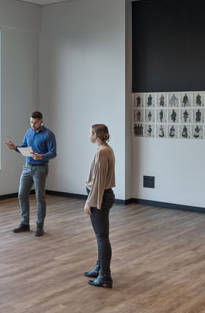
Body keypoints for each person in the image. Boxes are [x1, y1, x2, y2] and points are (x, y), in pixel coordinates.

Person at [4, 111, 57, 237]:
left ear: (41, 121)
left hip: (40, 168)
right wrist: (14, 147)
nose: (33, 124)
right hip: (27, 167)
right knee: (22, 194)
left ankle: (40, 226)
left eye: (35, 122)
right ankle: (25, 224)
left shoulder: (49, 134)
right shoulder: (28, 132)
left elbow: (53, 152)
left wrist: (41, 156)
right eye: (31, 122)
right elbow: (24, 148)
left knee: (40, 197)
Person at [83, 124, 116, 289]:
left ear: (96, 135)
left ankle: (105, 276)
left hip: (101, 197)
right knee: (101, 236)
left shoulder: (103, 152)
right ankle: (100, 268)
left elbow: (99, 182)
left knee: (102, 237)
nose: (88, 135)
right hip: (103, 196)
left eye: (90, 132)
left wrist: (90, 202)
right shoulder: (105, 149)